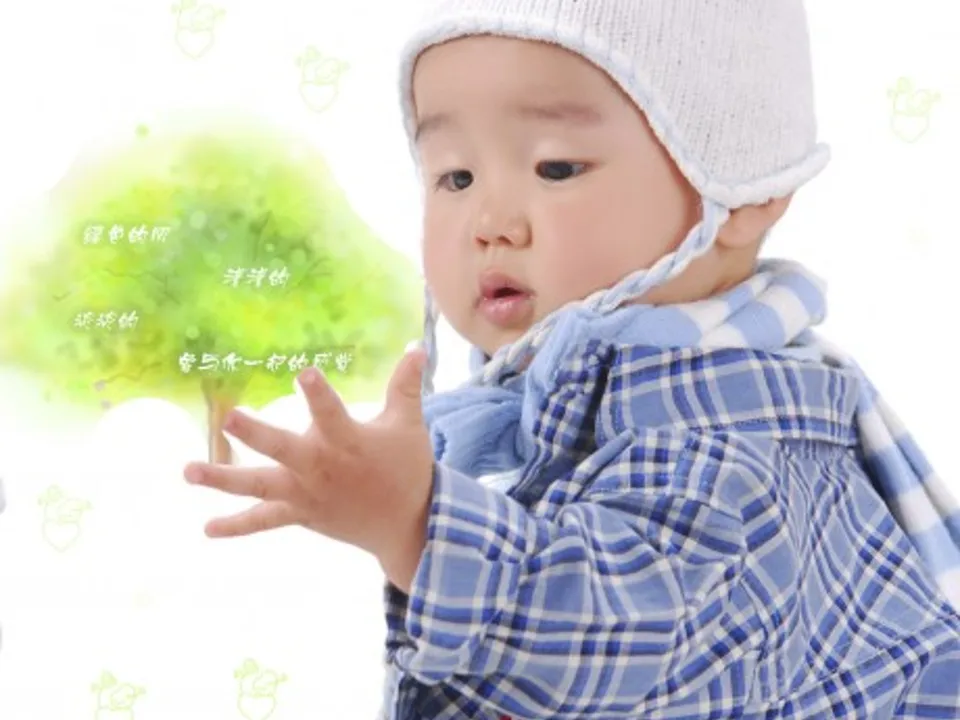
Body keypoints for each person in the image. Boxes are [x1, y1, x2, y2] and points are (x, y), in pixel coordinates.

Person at [184, 0, 960, 717]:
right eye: (455, 176)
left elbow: (613, 633)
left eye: (555, 168)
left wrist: (416, 525)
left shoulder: (726, 445)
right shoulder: (583, 400)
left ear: (746, 193)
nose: (489, 221)